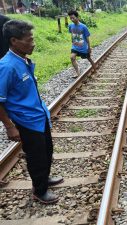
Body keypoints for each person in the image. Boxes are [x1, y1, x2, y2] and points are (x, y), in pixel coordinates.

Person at [0, 20, 63, 204]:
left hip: (39, 115)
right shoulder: (6, 67)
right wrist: (10, 127)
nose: (33, 43)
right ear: (14, 41)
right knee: (36, 157)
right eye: (29, 40)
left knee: (47, 150)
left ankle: (44, 179)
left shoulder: (23, 60)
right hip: (26, 121)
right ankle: (39, 191)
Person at [68, 10, 96, 79]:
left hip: (83, 48)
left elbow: (87, 38)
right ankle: (77, 73)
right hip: (75, 47)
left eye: (73, 18)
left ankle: (95, 70)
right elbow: (71, 33)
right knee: (72, 57)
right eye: (70, 18)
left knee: (89, 59)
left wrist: (89, 48)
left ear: (77, 17)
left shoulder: (83, 27)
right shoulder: (70, 26)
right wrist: (72, 40)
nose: (72, 19)